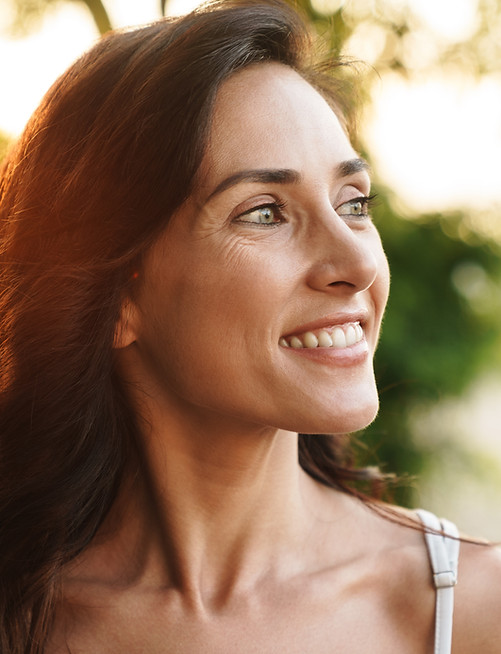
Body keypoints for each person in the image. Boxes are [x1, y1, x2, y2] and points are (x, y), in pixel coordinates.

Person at [0, 1, 500, 652]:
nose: (356, 264)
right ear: (117, 297)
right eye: (263, 213)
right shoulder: (22, 616)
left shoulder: (470, 609)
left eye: (353, 203)